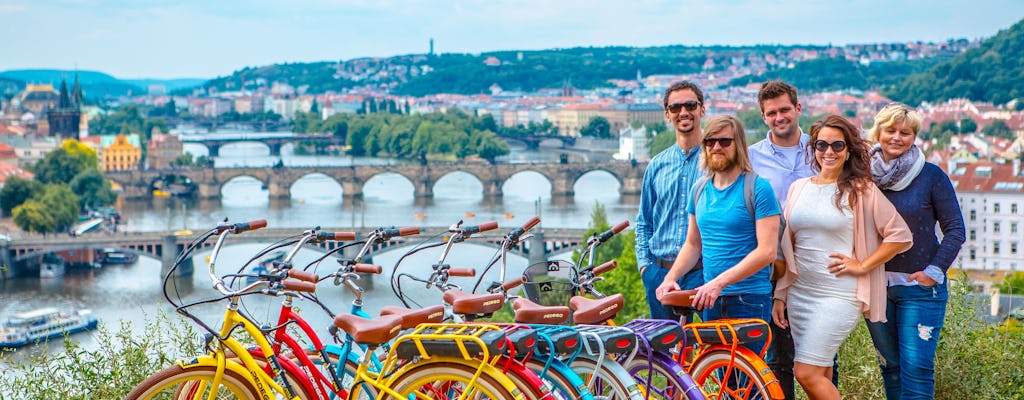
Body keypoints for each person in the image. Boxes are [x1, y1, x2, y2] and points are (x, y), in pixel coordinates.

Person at [771, 115, 913, 400]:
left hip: (838, 294)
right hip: (801, 294)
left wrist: (862, 265)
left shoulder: (861, 190)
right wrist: (781, 295)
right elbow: (789, 245)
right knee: (818, 376)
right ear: (813, 148)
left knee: (805, 373)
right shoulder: (799, 187)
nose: (829, 152)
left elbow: (900, 235)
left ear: (848, 150)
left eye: (837, 145)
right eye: (821, 144)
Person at [654, 114, 780, 354]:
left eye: (724, 141)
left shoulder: (758, 188)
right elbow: (693, 245)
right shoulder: (699, 189)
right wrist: (671, 277)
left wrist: (719, 283)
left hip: (748, 298)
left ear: (739, 145)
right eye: (710, 142)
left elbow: (767, 251)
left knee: (749, 383)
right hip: (710, 299)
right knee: (722, 377)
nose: (716, 147)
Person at [865, 103, 965, 400]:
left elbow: (955, 230)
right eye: (890, 131)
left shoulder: (930, 176)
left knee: (918, 367)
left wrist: (934, 272)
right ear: (878, 132)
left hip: (918, 286)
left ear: (914, 137)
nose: (897, 137)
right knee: (890, 366)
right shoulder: (863, 178)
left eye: (905, 133)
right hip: (876, 286)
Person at [747, 80, 814, 399]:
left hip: (817, 263)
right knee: (778, 358)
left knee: (823, 354)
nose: (779, 117)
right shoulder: (750, 159)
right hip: (774, 265)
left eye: (785, 109)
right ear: (763, 117)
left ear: (798, 109)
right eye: (771, 113)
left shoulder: (822, 149)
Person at [635, 81, 708, 321]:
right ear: (667, 115)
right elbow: (644, 221)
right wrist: (646, 268)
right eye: (676, 107)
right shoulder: (657, 165)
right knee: (662, 355)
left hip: (705, 273)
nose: (683, 112)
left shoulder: (717, 162)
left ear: (702, 110)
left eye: (690, 105)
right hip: (660, 270)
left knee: (713, 351)